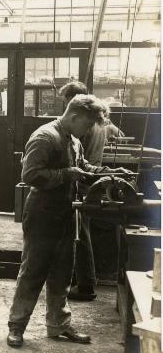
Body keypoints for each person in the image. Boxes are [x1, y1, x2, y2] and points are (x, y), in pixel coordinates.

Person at [6, 94, 133, 348]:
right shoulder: (45, 136)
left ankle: (58, 325)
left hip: (66, 213)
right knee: (33, 271)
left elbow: (84, 167)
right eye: (87, 125)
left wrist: (110, 172)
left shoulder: (74, 139)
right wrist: (66, 174)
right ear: (74, 117)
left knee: (63, 272)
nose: (88, 131)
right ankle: (17, 326)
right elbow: (30, 175)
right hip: (42, 213)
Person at [58, 81, 125, 301]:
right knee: (80, 232)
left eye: (68, 103)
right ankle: (81, 281)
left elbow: (78, 160)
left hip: (83, 182)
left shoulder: (84, 126)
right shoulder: (99, 123)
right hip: (91, 179)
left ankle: (86, 285)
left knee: (80, 234)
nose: (66, 107)